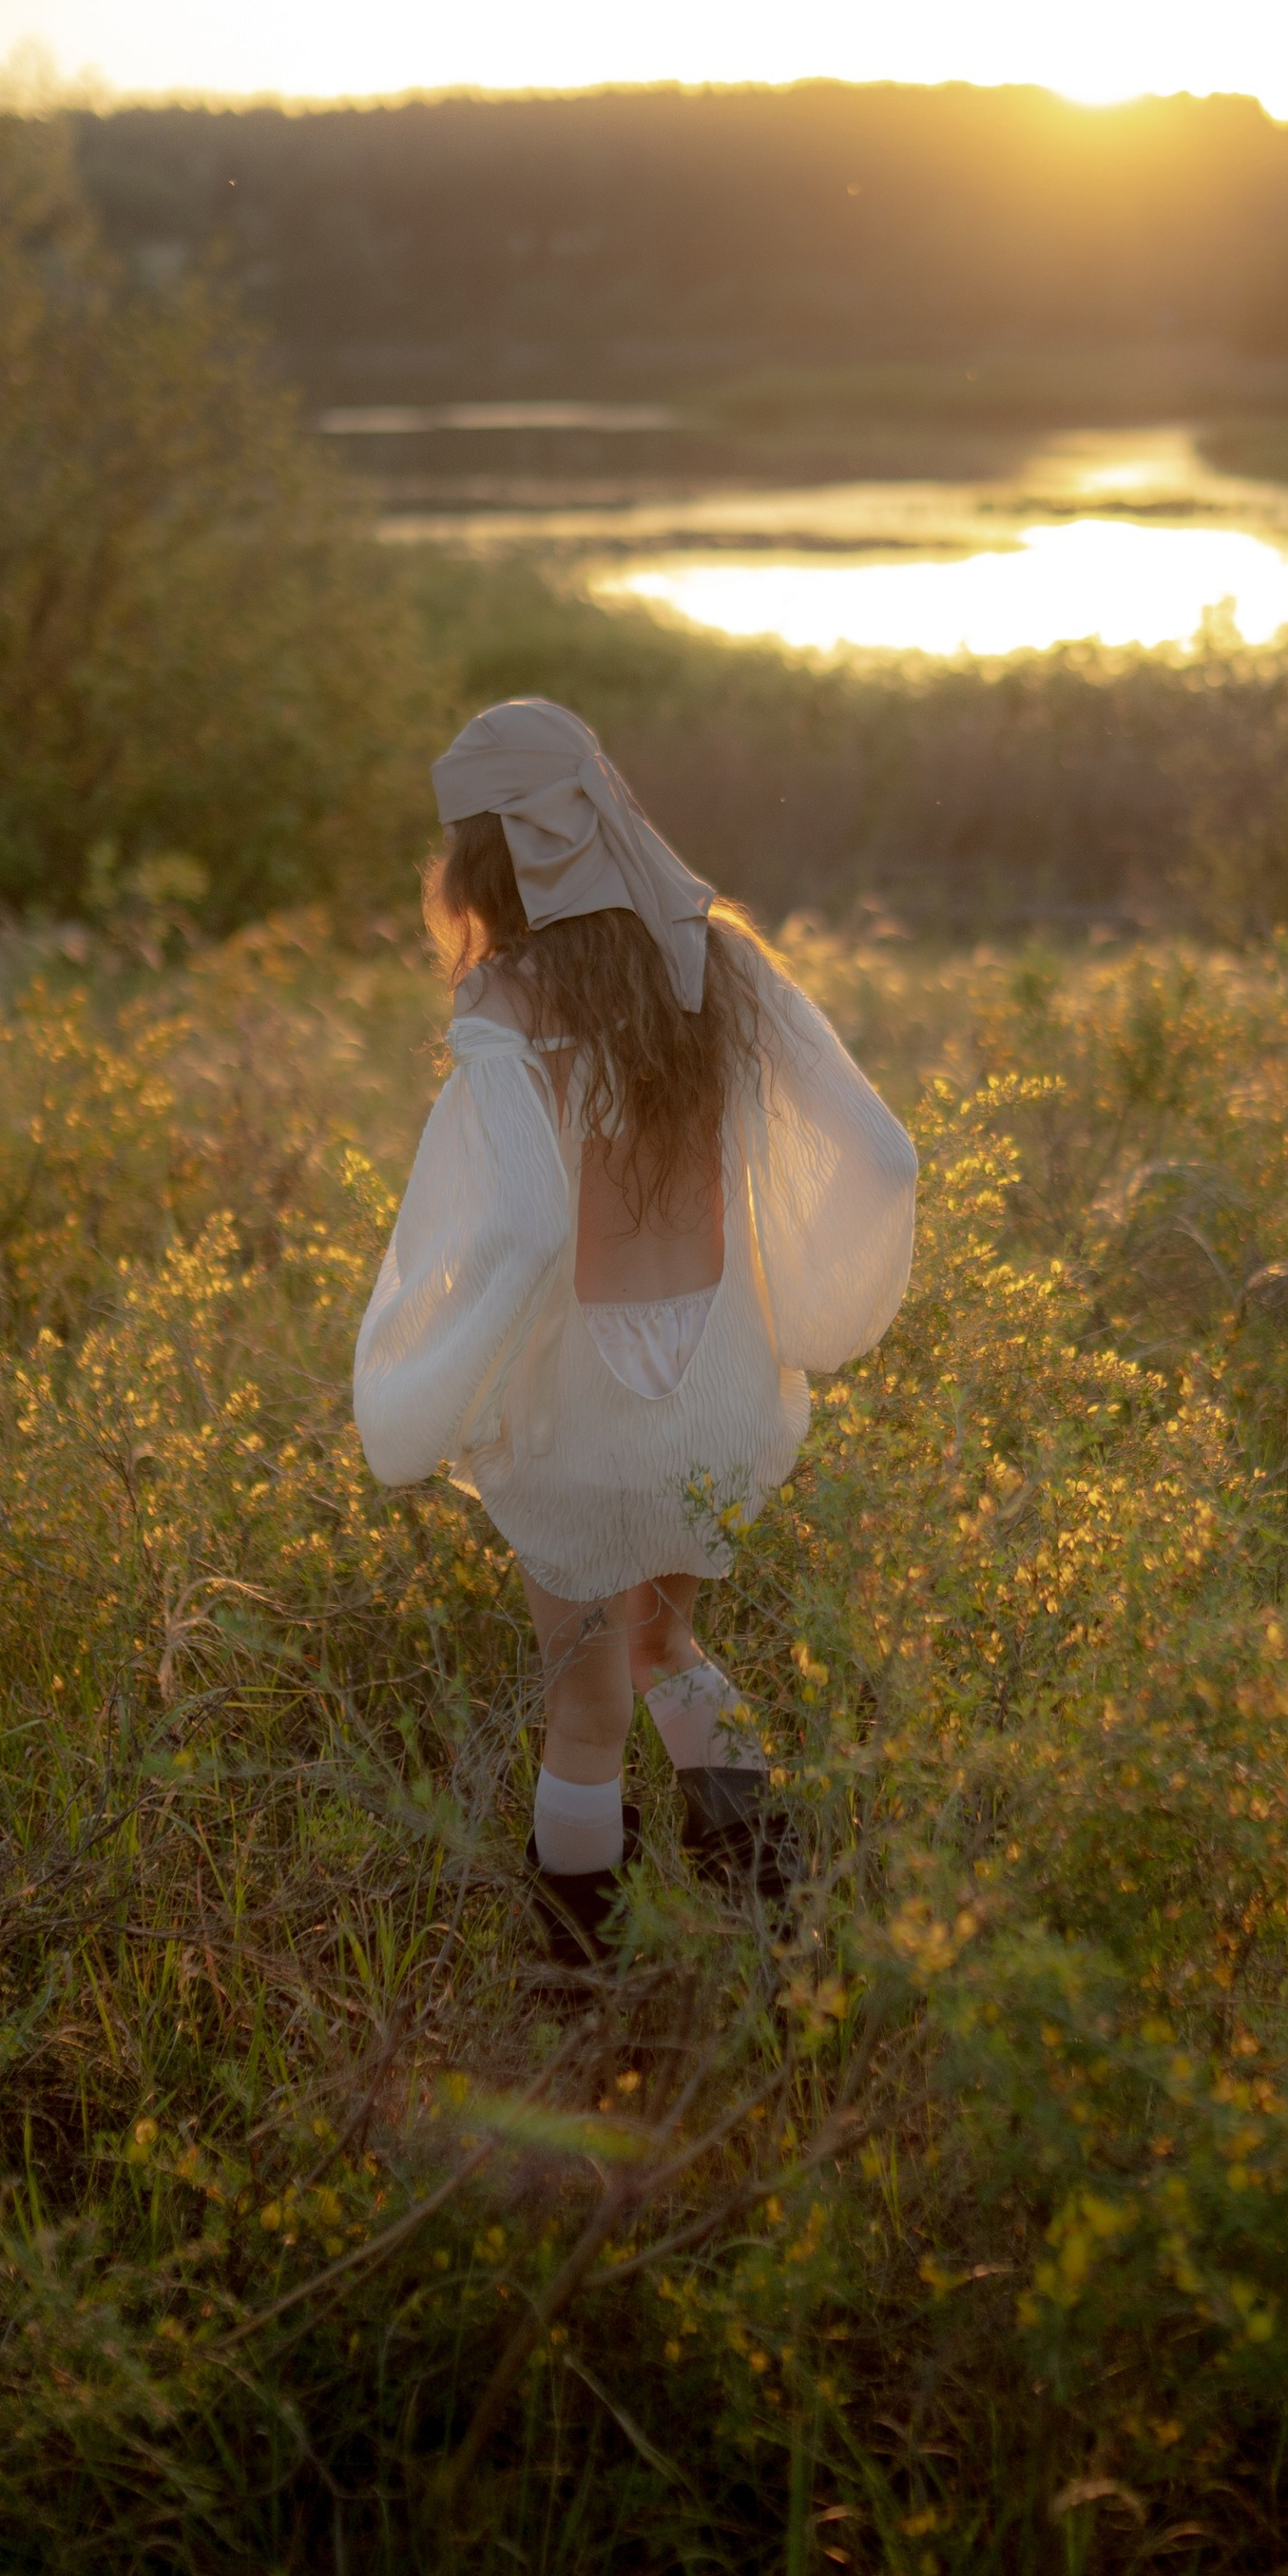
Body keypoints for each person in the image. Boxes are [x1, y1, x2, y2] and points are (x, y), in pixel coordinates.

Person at [354, 699, 917, 1963]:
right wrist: (806, 1311)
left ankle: (582, 1992)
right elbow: (883, 1154)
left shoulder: (507, 995)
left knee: (585, 1703)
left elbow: (512, 1236)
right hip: (714, 1393)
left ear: (480, 862)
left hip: (585, 1407)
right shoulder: (724, 964)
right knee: (667, 1640)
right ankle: (779, 1930)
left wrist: (448, 1369)